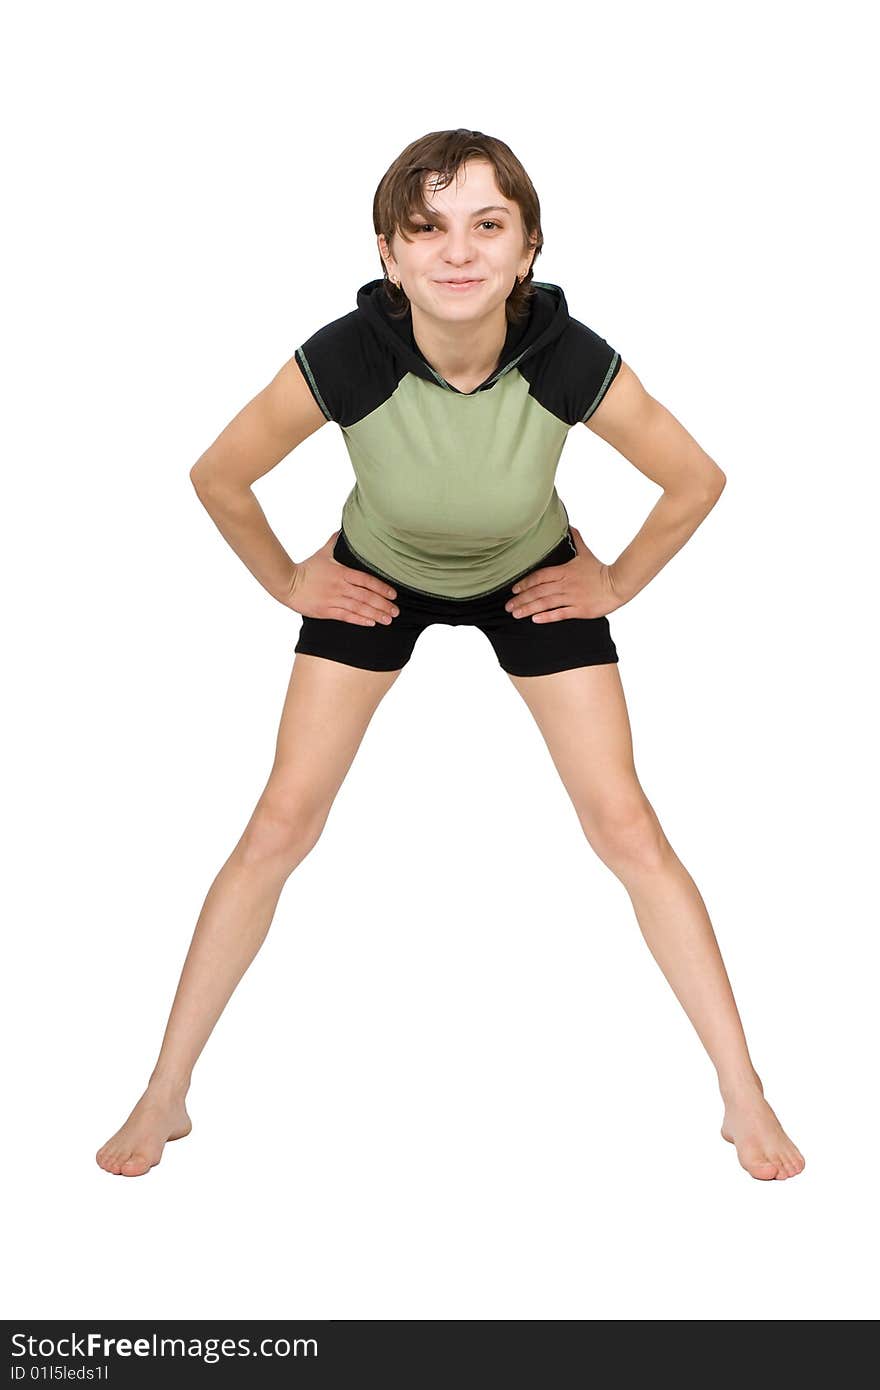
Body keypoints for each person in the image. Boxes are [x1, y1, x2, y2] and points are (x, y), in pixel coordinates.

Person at [96, 129, 805, 1181]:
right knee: (280, 822)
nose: (457, 251)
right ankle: (165, 1092)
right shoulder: (351, 354)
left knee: (625, 823)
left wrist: (610, 582)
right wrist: (293, 579)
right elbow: (219, 475)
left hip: (532, 575)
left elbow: (694, 478)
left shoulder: (564, 356)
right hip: (376, 574)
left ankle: (743, 1095)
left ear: (527, 251)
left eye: (487, 225)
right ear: (390, 256)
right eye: (426, 229)